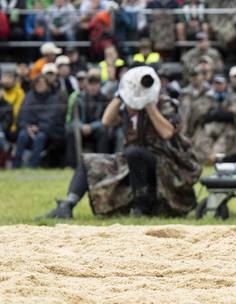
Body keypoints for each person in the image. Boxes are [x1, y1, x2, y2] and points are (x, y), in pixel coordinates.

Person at [42, 66, 201, 219]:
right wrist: (121, 95)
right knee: (88, 161)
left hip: (163, 164)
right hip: (131, 162)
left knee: (135, 152)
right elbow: (106, 121)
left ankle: (141, 206)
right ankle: (67, 205)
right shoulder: (128, 103)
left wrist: (149, 104)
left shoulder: (164, 103)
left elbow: (167, 133)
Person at [13, 73, 63, 168]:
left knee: (40, 137)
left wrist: (39, 127)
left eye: (42, 84)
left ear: (47, 85)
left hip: (46, 130)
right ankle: (16, 165)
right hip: (28, 128)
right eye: (37, 84)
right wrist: (27, 126)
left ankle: (33, 165)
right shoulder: (29, 96)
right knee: (22, 135)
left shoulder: (53, 98)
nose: (39, 86)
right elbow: (22, 115)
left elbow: (53, 117)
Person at [64, 69, 112, 165]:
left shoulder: (105, 99)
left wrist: (92, 126)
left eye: (96, 83)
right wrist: (81, 126)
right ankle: (71, 164)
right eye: (91, 83)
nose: (93, 87)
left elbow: (106, 119)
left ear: (100, 84)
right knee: (70, 131)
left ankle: (101, 163)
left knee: (103, 132)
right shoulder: (78, 98)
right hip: (81, 128)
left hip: (97, 128)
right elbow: (71, 119)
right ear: (87, 84)